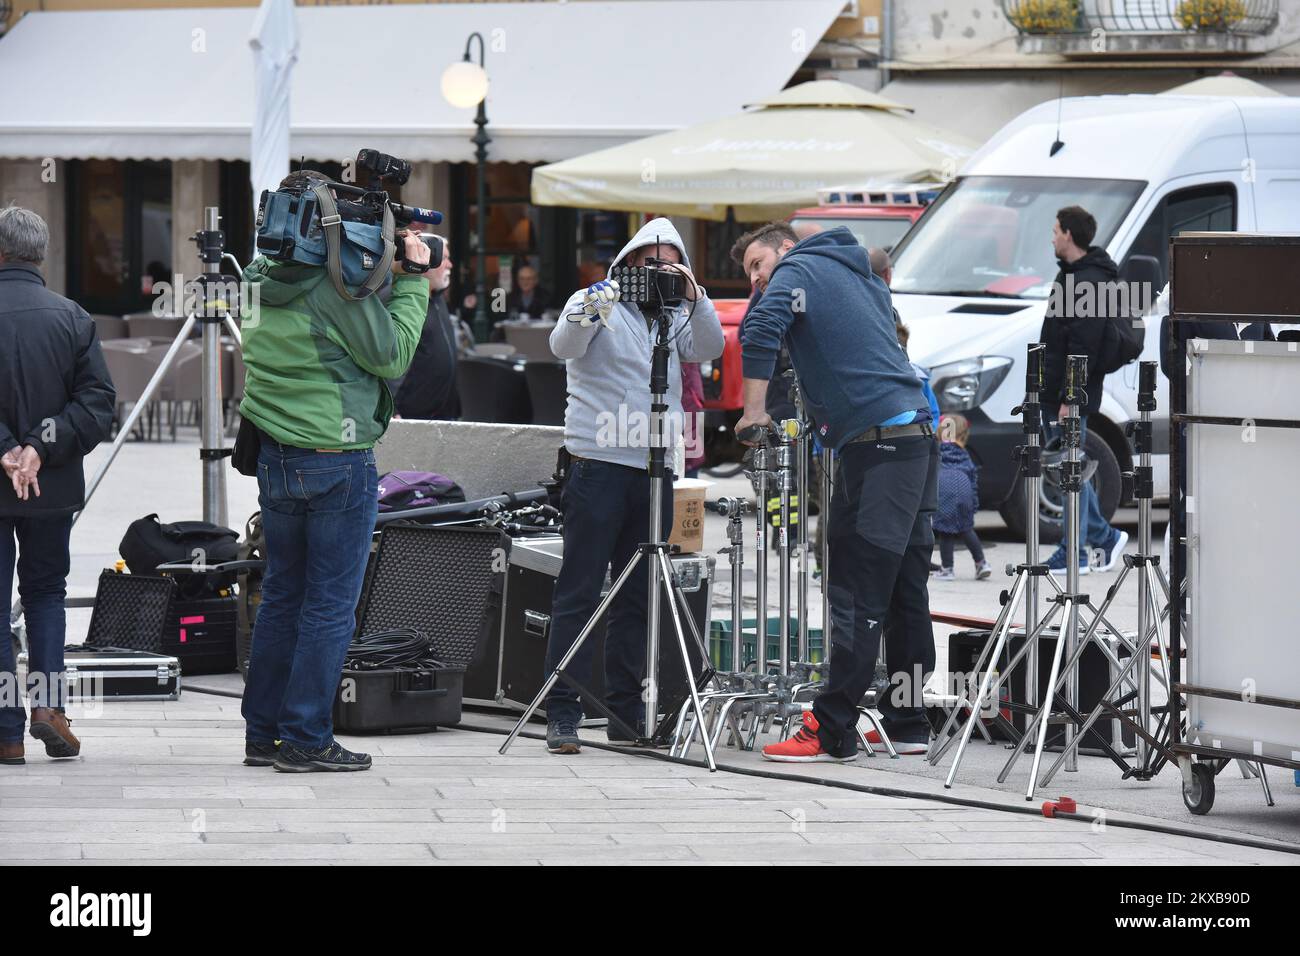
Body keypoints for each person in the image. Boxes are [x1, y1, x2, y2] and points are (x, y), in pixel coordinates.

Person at [238, 170, 433, 773]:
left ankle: (264, 732)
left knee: (282, 597)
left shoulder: (256, 278)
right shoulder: (333, 291)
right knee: (329, 606)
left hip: (276, 455)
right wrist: (413, 282)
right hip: (335, 461)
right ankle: (305, 737)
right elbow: (392, 354)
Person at [733, 221, 938, 761]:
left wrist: (753, 413)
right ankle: (910, 722)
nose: (757, 279)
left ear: (784, 247)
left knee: (855, 588)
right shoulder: (857, 272)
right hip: (915, 437)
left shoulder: (798, 269)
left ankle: (832, 729)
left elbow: (757, 333)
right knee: (905, 589)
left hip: (877, 449)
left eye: (758, 264)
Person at [542, 217, 724, 754]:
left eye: (671, 261)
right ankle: (563, 712)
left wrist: (696, 294)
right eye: (650, 260)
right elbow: (563, 345)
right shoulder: (599, 300)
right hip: (597, 462)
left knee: (637, 594)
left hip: (654, 468)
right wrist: (598, 299)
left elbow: (709, 347)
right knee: (579, 590)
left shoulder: (674, 315)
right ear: (627, 262)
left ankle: (626, 714)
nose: (659, 270)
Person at [0, 205, 115, 766]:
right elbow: (97, 405)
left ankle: (6, 731)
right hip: (50, 487)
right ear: (39, 254)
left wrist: (8, 449)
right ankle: (48, 708)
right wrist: (39, 448)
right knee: (46, 593)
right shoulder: (72, 316)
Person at [1039, 205, 1128, 576]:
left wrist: (1069, 399)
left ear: (1070, 235)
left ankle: (1074, 549)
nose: (1053, 236)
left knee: (1067, 468)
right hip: (1059, 390)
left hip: (1070, 393)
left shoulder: (1088, 281)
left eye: (1056, 230)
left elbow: (1083, 346)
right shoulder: (1073, 275)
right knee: (1066, 467)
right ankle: (1102, 537)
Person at [392, 236, 461, 421]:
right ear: (426, 259)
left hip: (444, 414)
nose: (450, 265)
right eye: (444, 258)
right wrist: (391, 407)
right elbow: (391, 353)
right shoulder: (404, 301)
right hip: (410, 416)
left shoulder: (438, 299)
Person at [932, 414, 991, 581]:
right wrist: (974, 503)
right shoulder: (964, 454)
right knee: (967, 528)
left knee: (946, 532)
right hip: (964, 491)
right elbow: (973, 478)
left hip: (944, 492)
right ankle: (981, 563)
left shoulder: (937, 451)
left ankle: (947, 569)